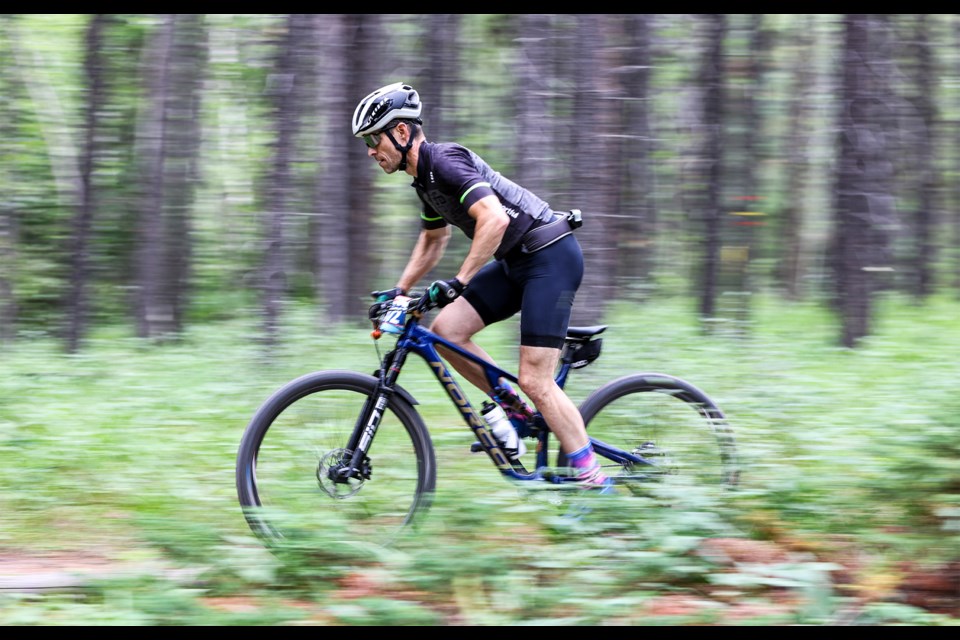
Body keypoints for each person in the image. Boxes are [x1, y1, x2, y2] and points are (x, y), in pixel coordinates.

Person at [353, 81, 611, 490]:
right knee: (446, 330)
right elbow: (433, 240)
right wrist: (400, 290)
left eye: (373, 138)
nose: (370, 150)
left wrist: (459, 281)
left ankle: (595, 481)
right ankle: (516, 410)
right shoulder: (425, 181)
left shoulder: (445, 162)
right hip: (516, 262)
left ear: (401, 133)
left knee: (535, 380)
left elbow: (495, 219)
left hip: (550, 257)